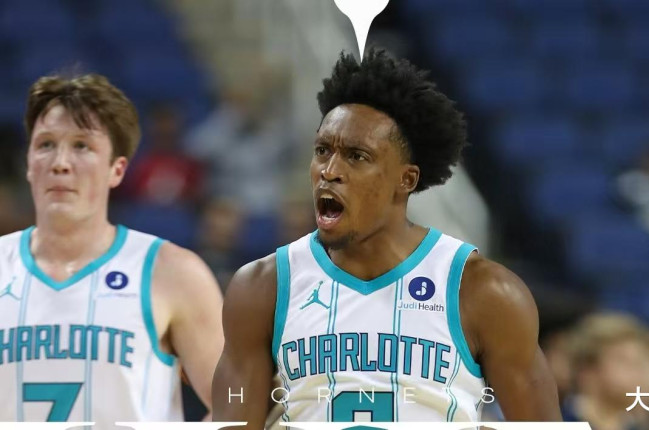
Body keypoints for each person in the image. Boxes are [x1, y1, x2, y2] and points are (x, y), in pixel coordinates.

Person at [213, 50, 561, 428]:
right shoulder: (262, 287)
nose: (330, 171)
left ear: (406, 179)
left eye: (356, 156)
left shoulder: (484, 291)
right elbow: (235, 417)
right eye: (323, 151)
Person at [0, 74, 224, 426]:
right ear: (29, 163)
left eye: (81, 146)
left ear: (116, 170)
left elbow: (239, 399)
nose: (60, 162)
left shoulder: (172, 273)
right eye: (45, 145)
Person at [564, 313, 649, 430]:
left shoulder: (635, 427)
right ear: (587, 370)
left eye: (639, 363)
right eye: (624, 361)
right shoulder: (556, 420)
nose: (637, 372)